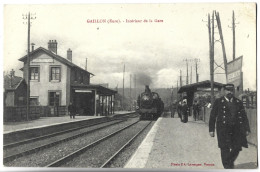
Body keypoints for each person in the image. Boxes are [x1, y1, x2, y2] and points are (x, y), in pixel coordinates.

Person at [209, 84, 250, 169]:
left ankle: (229, 162)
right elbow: (212, 116)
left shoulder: (238, 102)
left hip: (236, 129)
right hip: (223, 129)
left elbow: (244, 116)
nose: (229, 92)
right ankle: (227, 167)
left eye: (231, 90)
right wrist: (211, 129)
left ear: (233, 91)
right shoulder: (218, 102)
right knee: (224, 148)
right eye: (227, 90)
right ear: (224, 91)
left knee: (237, 147)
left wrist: (246, 128)